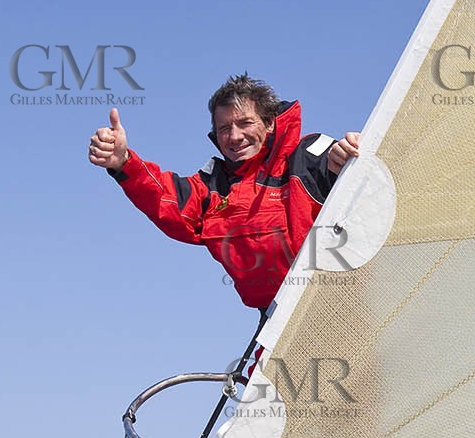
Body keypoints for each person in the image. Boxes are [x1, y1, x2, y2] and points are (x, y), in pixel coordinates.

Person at [89, 74, 360, 313]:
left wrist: (345, 156)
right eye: (224, 128)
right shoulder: (212, 186)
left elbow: (351, 175)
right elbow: (166, 198)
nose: (235, 136)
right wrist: (123, 162)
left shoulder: (308, 156)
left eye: (245, 123)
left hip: (342, 303)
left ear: (269, 123)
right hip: (276, 322)